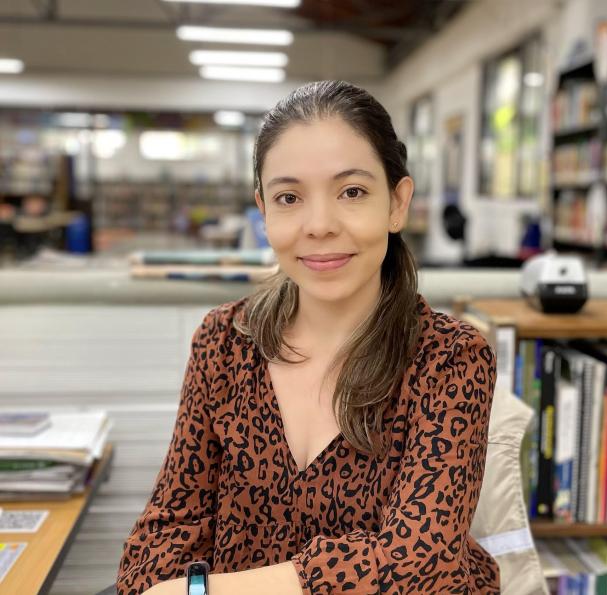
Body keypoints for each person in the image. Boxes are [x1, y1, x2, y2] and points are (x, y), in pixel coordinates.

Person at [115, 80, 500, 594]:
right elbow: (162, 533)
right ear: (264, 211)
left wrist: (202, 593)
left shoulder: (450, 357)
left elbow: (416, 560)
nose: (318, 225)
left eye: (352, 192)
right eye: (290, 197)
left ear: (397, 203)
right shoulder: (225, 341)